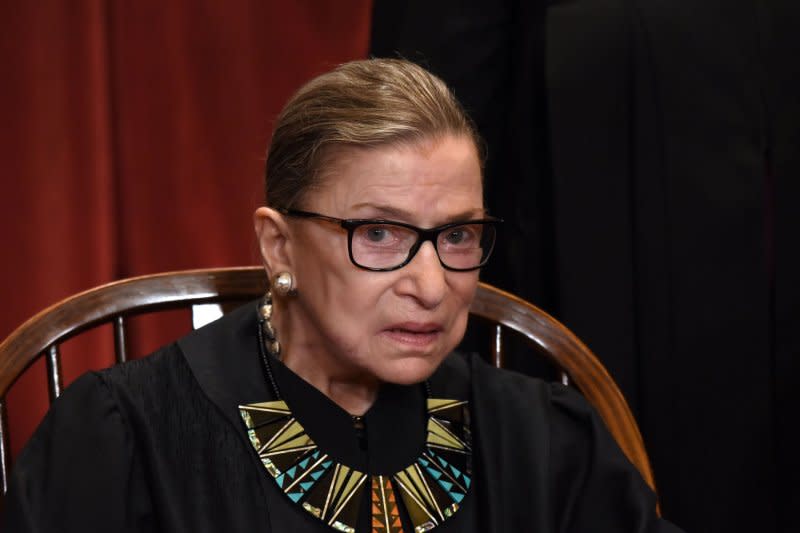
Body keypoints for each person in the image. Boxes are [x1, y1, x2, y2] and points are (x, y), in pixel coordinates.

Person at [3, 58, 683, 532]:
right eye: (380, 233)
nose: (430, 284)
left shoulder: (538, 440)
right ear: (278, 246)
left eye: (459, 235)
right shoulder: (130, 438)